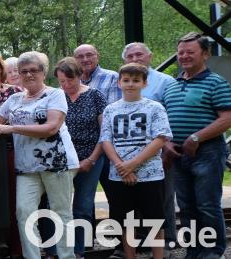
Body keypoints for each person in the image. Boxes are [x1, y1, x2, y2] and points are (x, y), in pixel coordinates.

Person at [0, 51, 78, 259]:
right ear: (18, 74)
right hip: (26, 167)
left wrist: (13, 128)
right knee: (24, 212)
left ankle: (67, 256)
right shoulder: (14, 99)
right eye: (23, 71)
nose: (28, 75)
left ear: (43, 73)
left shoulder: (55, 94)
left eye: (33, 70)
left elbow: (51, 127)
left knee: (61, 213)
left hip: (57, 163)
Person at [163, 32, 231, 258]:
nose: (184, 56)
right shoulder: (172, 86)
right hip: (179, 155)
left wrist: (196, 138)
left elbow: (227, 118)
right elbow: (164, 121)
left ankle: (212, 252)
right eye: (181, 52)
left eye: (190, 52)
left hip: (208, 152)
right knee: (187, 208)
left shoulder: (216, 82)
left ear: (205, 54)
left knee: (207, 205)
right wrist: (167, 144)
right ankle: (194, 250)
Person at [101, 63, 171, 259]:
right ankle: (129, 256)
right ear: (119, 82)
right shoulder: (110, 109)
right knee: (125, 221)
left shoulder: (154, 107)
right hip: (119, 175)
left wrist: (133, 164)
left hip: (150, 174)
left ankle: (158, 256)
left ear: (144, 83)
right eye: (126, 80)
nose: (130, 84)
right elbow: (106, 140)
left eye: (135, 80)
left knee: (155, 220)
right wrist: (121, 167)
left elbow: (160, 138)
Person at [121, 41, 179, 252]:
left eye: (139, 55)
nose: (135, 59)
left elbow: (172, 116)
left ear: (150, 56)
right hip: (128, 154)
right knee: (136, 201)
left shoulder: (166, 81)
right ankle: (144, 244)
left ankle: (168, 245)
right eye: (130, 56)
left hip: (160, 150)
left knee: (162, 199)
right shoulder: (124, 82)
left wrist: (167, 146)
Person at [55, 57, 107, 258]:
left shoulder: (95, 96)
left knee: (83, 206)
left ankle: (80, 250)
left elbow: (105, 133)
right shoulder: (56, 96)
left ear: (80, 76)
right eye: (62, 82)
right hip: (63, 160)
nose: (66, 85)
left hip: (90, 157)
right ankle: (61, 248)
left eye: (70, 80)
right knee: (59, 206)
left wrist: (92, 159)